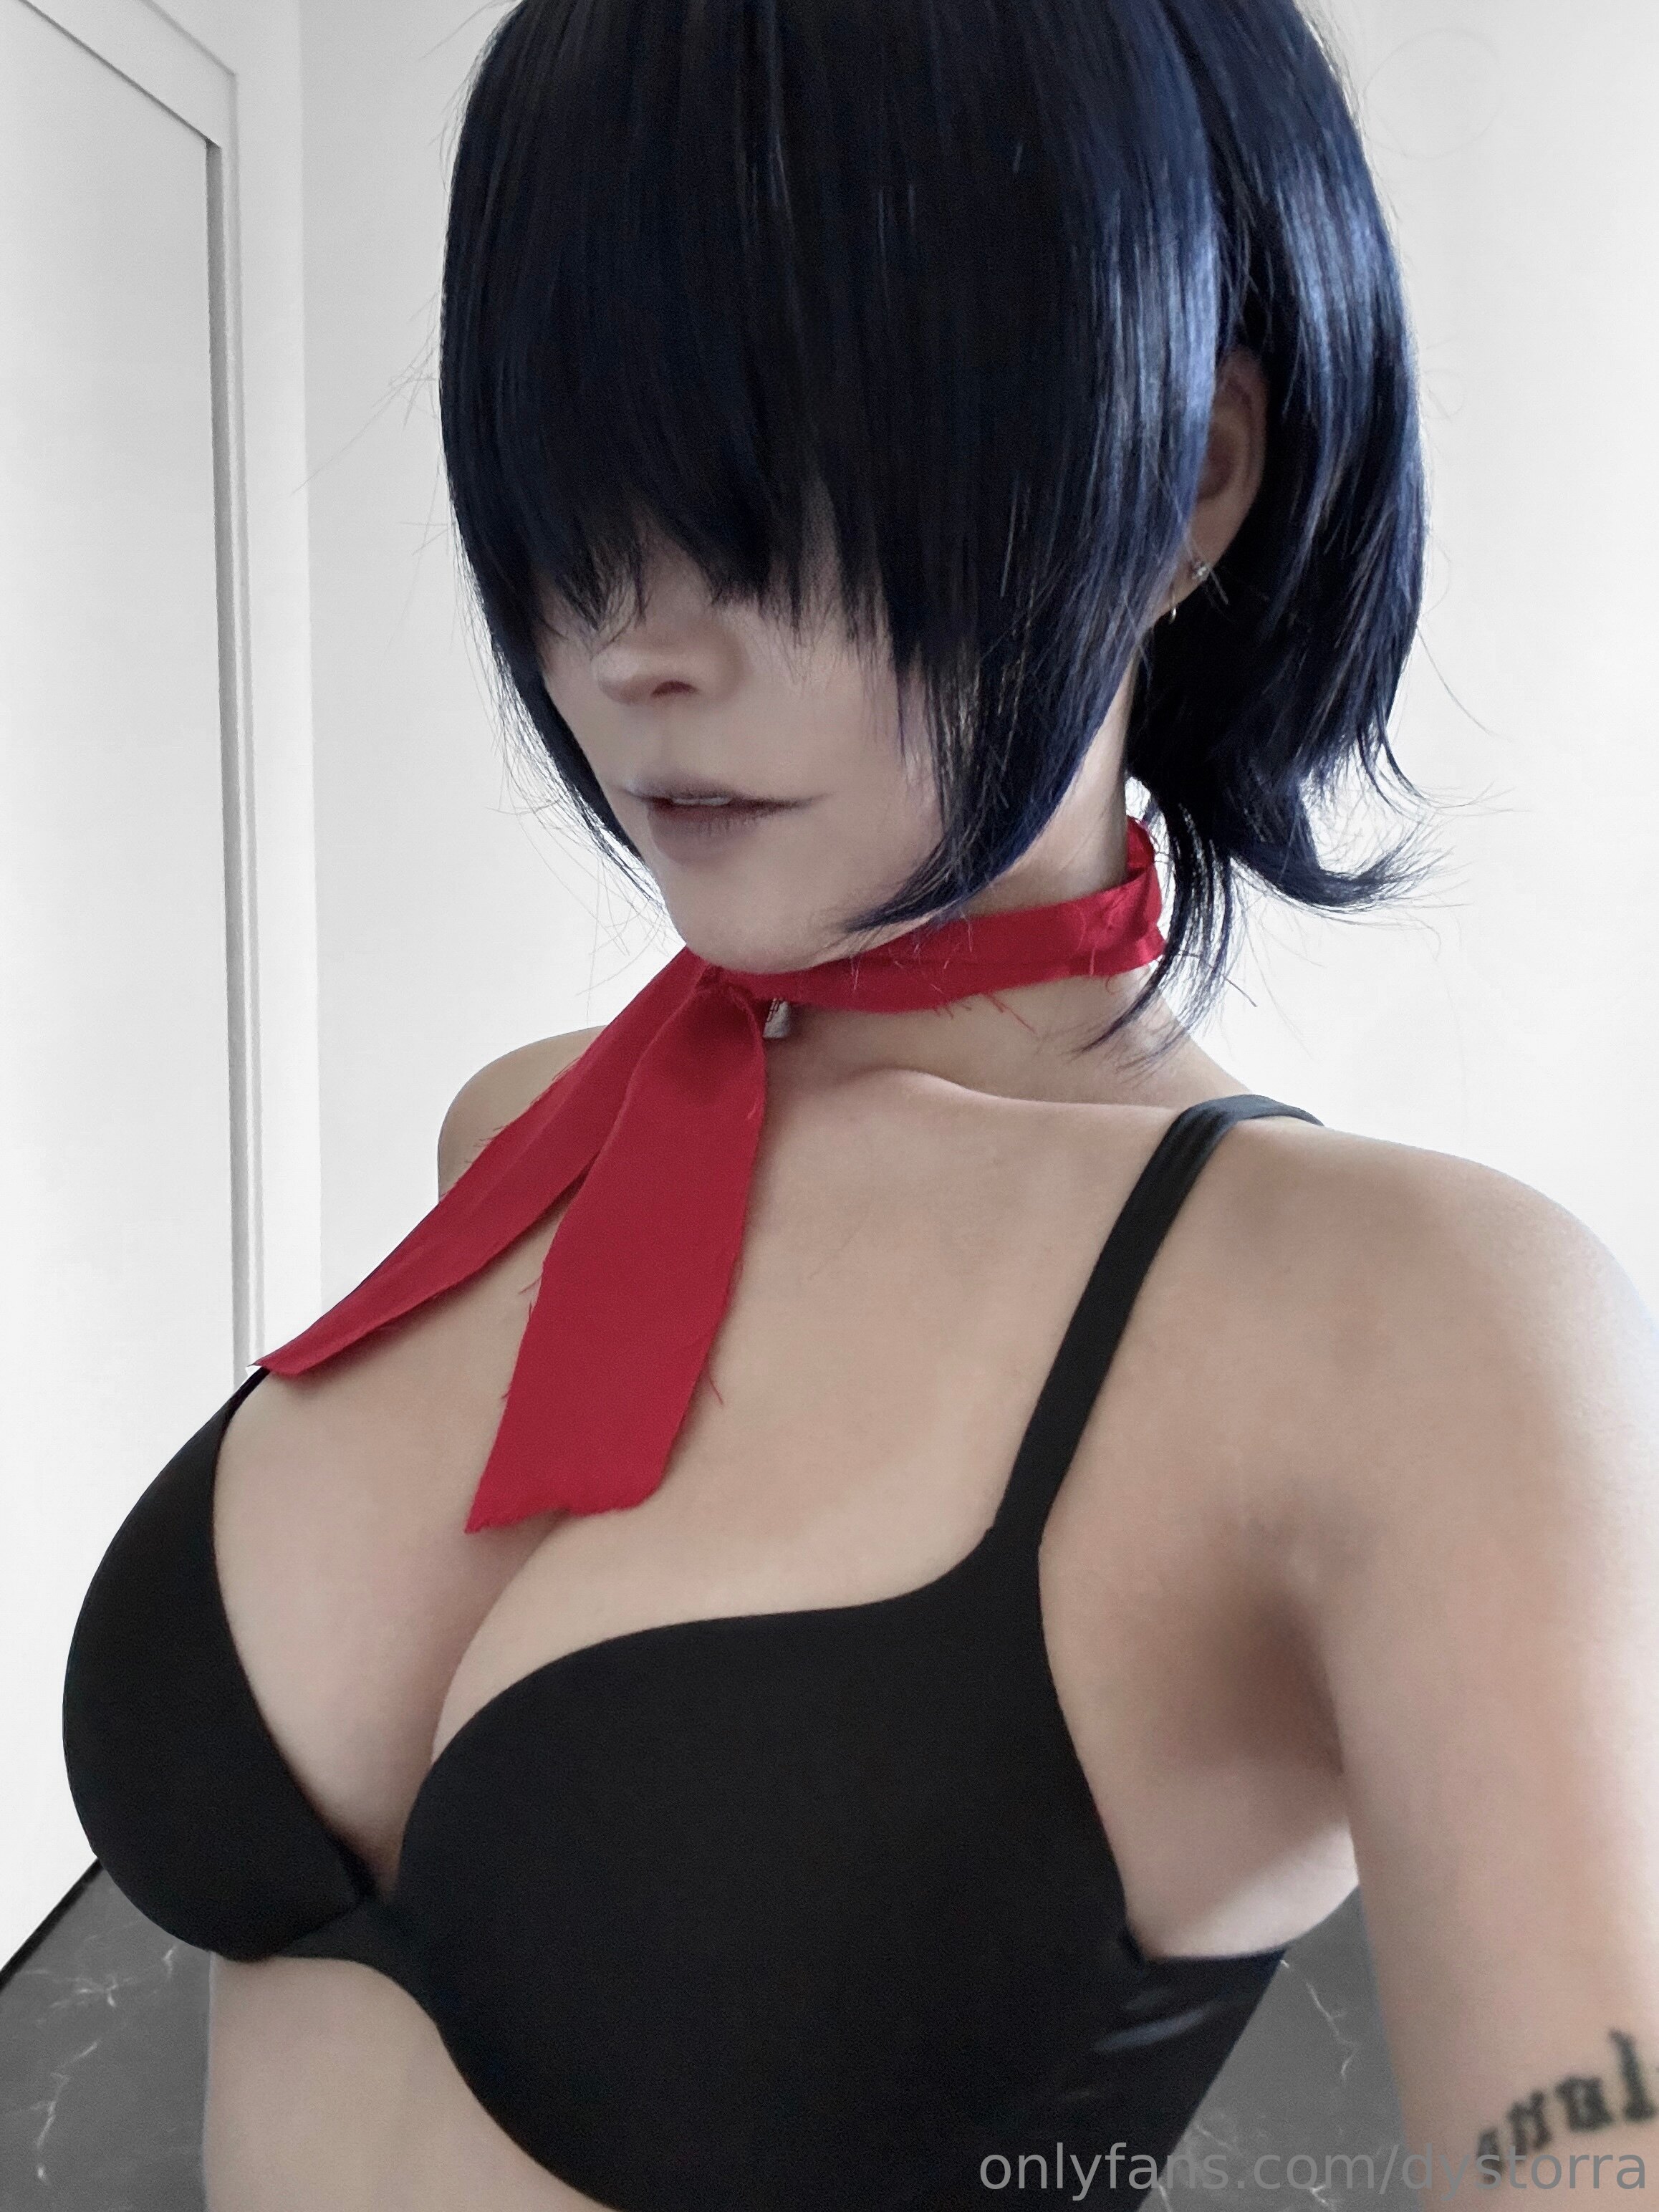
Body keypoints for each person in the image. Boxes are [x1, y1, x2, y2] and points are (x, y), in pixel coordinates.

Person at [62, 0, 1659, 2206]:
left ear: (1185, 478)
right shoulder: (523, 1132)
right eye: (575, 495)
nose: (632, 646)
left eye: (783, 495)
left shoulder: (1404, 1333)